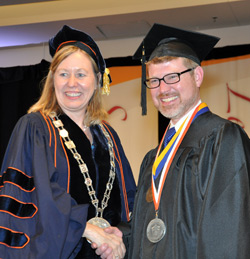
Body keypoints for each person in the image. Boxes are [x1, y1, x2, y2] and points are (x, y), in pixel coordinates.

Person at [0, 25, 136, 259]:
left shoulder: (109, 136)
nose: (72, 83)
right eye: (63, 74)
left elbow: (127, 199)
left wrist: (119, 238)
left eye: (81, 74)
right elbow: (37, 196)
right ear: (53, 80)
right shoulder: (35, 127)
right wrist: (86, 228)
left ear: (97, 81)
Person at [128, 23, 250, 258]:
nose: (163, 89)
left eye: (172, 77)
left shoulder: (223, 140)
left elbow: (228, 235)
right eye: (154, 81)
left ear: (197, 76)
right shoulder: (153, 158)